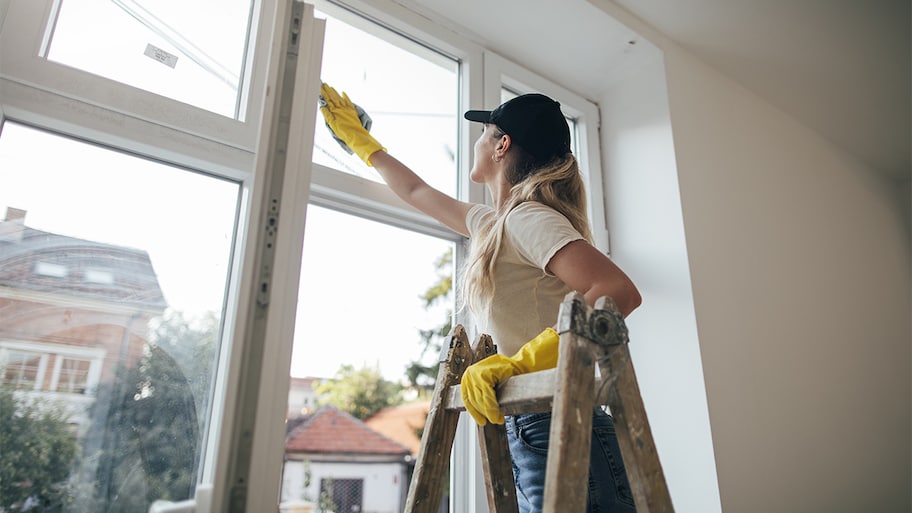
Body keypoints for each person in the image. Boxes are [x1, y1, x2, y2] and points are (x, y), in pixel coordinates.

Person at [319, 83, 641, 513]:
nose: (478, 141)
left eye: (484, 131)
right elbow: (416, 192)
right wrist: (361, 140)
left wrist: (520, 363)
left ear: (501, 145)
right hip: (535, 422)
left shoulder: (527, 219)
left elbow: (618, 292)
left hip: (559, 423)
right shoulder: (495, 224)